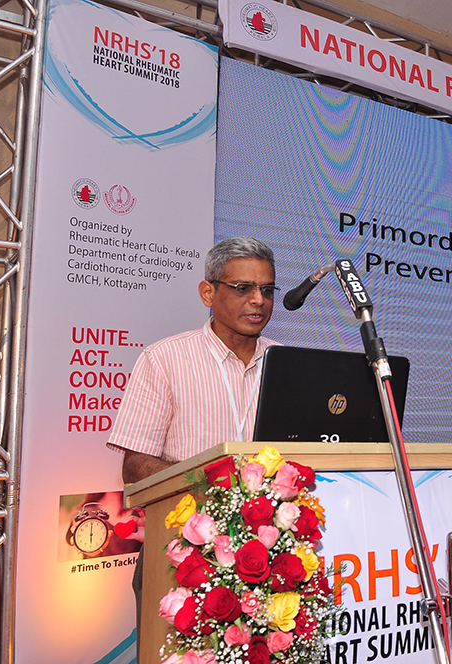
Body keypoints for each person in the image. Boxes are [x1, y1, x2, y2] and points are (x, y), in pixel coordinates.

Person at [106, 236, 280, 639]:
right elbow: (134, 467)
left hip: (269, 554)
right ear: (208, 292)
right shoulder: (164, 360)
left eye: (267, 290)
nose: (259, 300)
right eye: (243, 288)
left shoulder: (286, 362)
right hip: (183, 552)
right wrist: (213, 484)